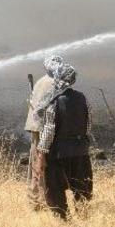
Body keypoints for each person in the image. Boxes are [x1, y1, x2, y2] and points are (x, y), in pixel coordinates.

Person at [36, 62, 93, 220]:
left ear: (57, 79)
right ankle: (84, 219)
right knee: (82, 189)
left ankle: (63, 222)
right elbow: (88, 125)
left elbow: (48, 130)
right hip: (81, 151)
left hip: (58, 154)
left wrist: (41, 153)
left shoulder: (54, 102)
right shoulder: (82, 98)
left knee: (55, 190)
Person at [25, 55, 65, 209]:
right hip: (45, 128)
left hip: (36, 127)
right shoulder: (55, 83)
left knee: (36, 162)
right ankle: (42, 201)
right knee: (44, 165)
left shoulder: (41, 81)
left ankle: (36, 199)